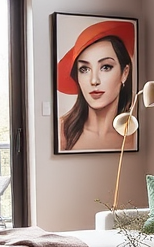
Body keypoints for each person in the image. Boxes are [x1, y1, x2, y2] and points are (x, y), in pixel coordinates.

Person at [57, 19, 136, 151]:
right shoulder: (62, 132)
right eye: (84, 69)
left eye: (105, 67)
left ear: (125, 73)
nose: (94, 80)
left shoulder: (134, 136)